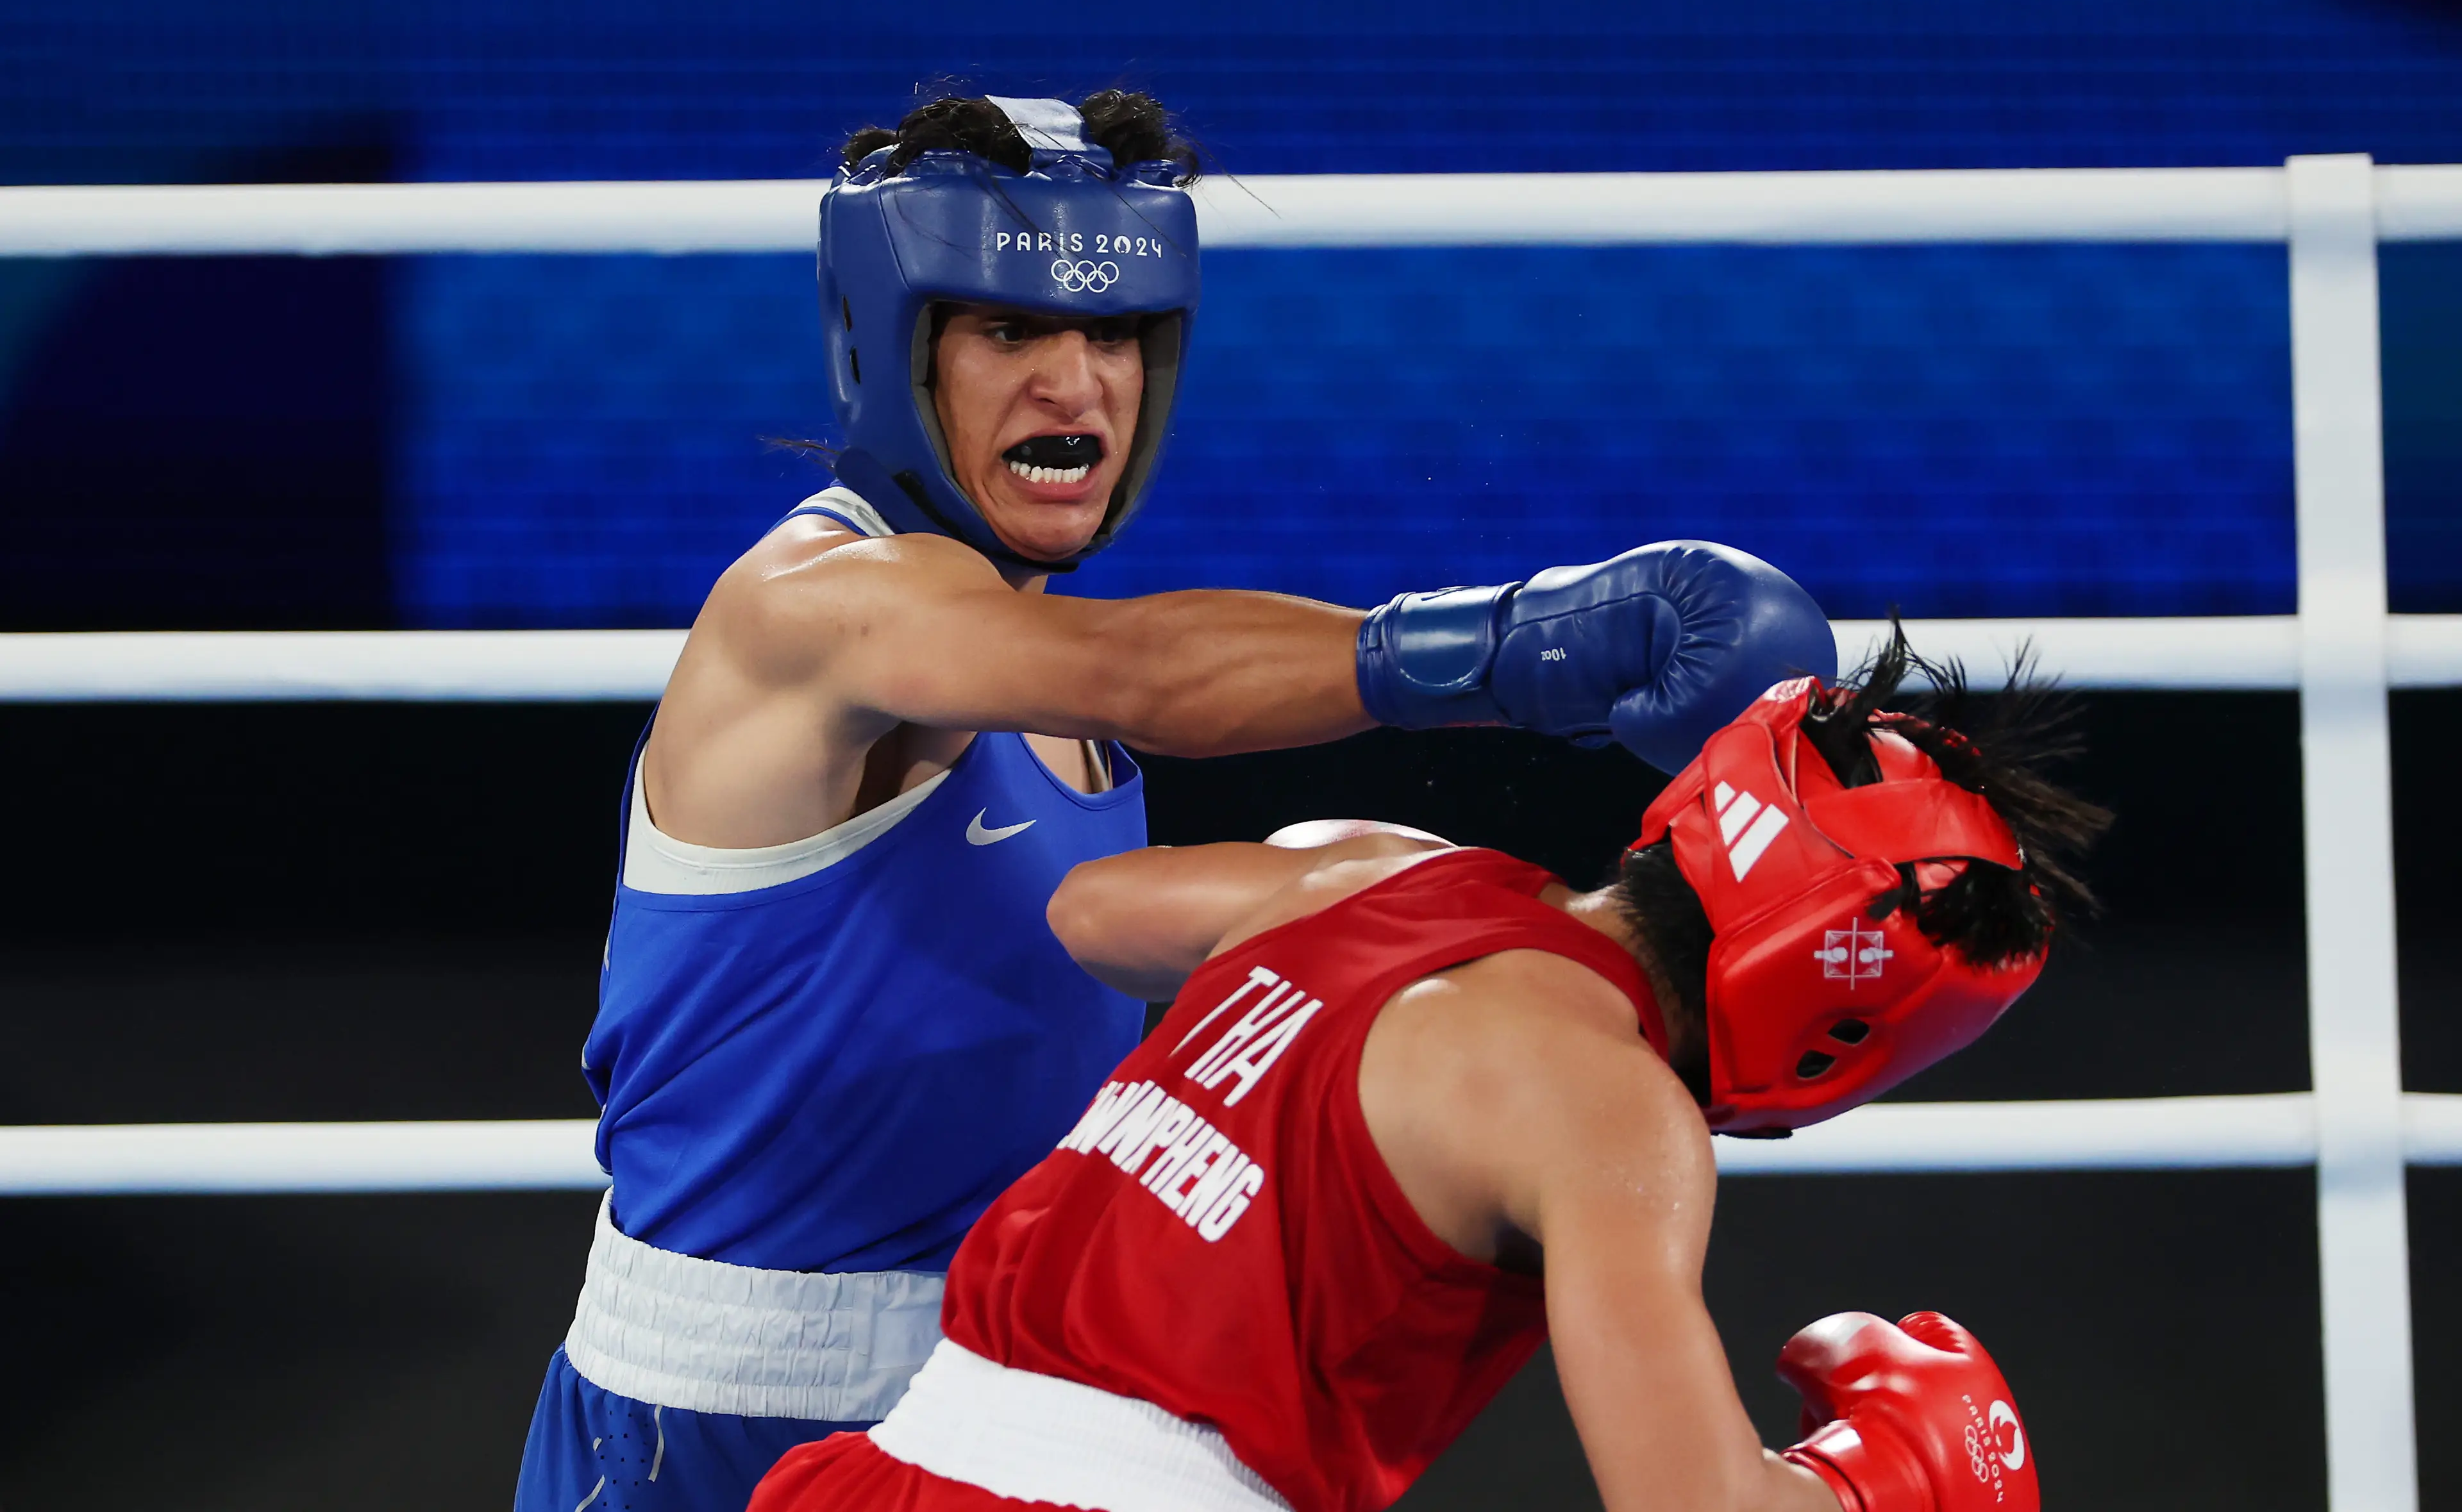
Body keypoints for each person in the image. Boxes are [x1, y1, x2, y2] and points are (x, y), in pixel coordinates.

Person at [512, 90, 1841, 1511]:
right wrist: (1517, 645)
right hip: (719, 1417)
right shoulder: (815, 608)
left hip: (996, 1425)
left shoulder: (1049, 686)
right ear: (894, 348)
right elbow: (1138, 668)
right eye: (1010, 331)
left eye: (1115, 336)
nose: (1075, 385)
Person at [746, 632, 2108, 1512]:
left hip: (878, 1471)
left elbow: (1093, 911)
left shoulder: (1378, 864)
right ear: (1846, 1032)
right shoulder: (1613, 1112)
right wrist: (1896, 1481)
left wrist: (1303, 967)